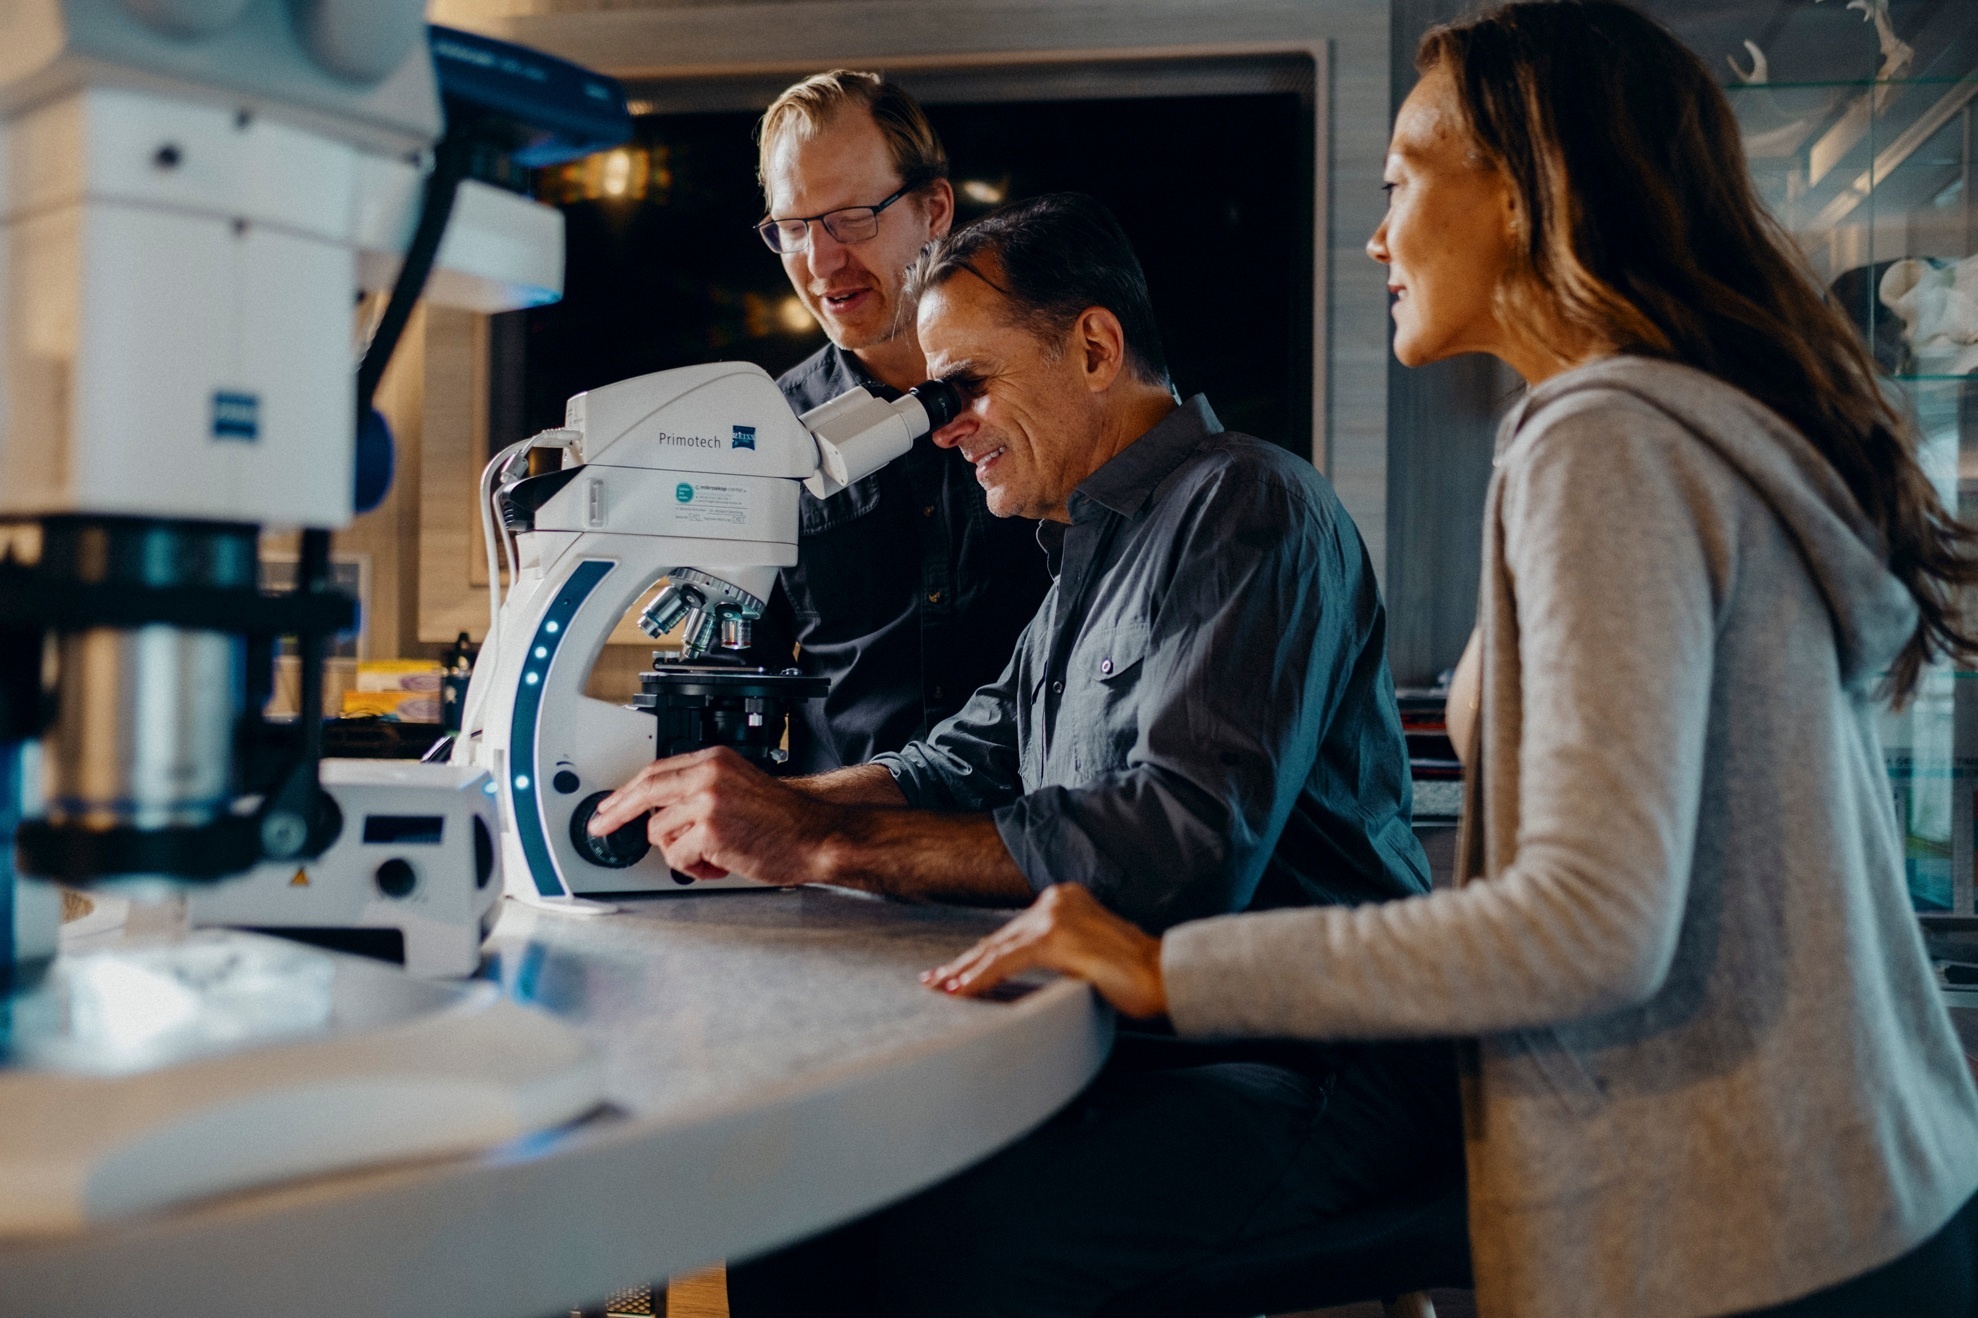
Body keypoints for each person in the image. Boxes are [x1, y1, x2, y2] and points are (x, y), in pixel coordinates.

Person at [928, 4, 1978, 1317]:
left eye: (1401, 177)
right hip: (1845, 1192)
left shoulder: (1602, 443)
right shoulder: (1676, 429)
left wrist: (1168, 968)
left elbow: (1589, 925)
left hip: (1750, 1232)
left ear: (1527, 184)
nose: (1375, 233)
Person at [593, 193, 1464, 1315]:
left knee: (958, 1249)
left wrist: (819, 839)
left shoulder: (1249, 503)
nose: (945, 425)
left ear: (1095, 347)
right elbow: (959, 761)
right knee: (809, 1193)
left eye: (965, 385)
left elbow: (1180, 849)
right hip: (1157, 1041)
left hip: (1310, 1060)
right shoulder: (1086, 556)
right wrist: (756, 809)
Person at [746, 70, 1051, 773]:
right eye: (793, 228)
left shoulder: (1044, 394)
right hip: (840, 857)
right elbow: (740, 677)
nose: (821, 262)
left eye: (852, 217)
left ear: (935, 208)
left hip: (1028, 849)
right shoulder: (767, 432)